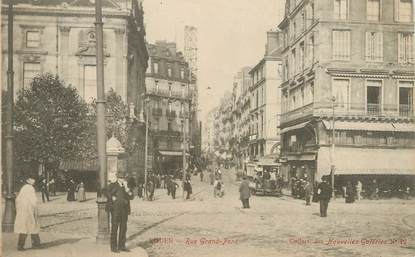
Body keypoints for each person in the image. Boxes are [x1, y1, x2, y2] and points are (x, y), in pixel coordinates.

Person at [105, 173, 134, 253]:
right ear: (117, 178)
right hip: (115, 210)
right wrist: (112, 197)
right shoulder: (113, 185)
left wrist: (127, 189)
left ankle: (122, 246)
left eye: (123, 178)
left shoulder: (126, 187)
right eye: (121, 178)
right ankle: (113, 247)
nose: (123, 179)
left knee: (123, 228)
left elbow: (132, 197)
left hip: (124, 210)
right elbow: (105, 191)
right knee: (114, 228)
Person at [15, 176, 41, 251]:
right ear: (28, 180)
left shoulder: (23, 188)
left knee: (24, 228)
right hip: (30, 210)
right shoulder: (30, 188)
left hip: (23, 211)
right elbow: (34, 201)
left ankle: (20, 245)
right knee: (33, 226)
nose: (34, 181)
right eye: (32, 179)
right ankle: (36, 243)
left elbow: (18, 199)